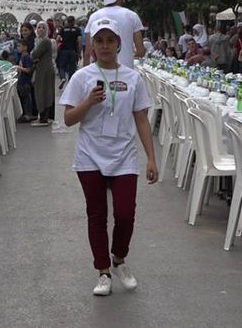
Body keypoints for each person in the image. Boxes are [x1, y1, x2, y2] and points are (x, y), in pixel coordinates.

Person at [59, 17, 158, 297]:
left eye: (110, 41)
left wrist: (151, 157)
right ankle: (103, 271)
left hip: (124, 155)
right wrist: (88, 102)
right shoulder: (82, 77)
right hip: (90, 155)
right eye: (99, 41)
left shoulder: (132, 77)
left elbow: (141, 118)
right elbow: (67, 119)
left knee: (126, 213)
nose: (104, 46)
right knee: (97, 215)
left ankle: (119, 258)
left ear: (119, 44)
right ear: (92, 45)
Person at [84, 0, 146, 69]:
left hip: (100, 74)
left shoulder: (94, 17)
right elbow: (140, 50)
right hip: (125, 73)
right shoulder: (131, 16)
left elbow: (88, 52)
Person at [31, 22, 56, 126]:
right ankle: (43, 116)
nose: (40, 29)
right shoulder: (40, 41)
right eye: (39, 27)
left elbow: (34, 54)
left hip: (44, 70)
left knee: (43, 92)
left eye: (43, 28)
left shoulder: (45, 41)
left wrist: (33, 54)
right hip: (42, 69)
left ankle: (44, 118)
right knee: (42, 92)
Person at [58, 15, 82, 89]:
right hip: (73, 51)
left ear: (67, 21)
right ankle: (70, 85)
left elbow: (58, 38)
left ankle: (62, 78)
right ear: (74, 21)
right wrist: (79, 52)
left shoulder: (63, 29)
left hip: (64, 50)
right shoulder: (77, 29)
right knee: (72, 68)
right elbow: (79, 41)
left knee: (61, 66)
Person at [15, 39, 34, 122]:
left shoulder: (27, 57)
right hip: (21, 81)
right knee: (23, 98)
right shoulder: (21, 57)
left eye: (19, 46)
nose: (18, 48)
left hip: (25, 81)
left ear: (25, 47)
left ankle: (28, 115)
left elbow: (29, 70)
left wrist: (19, 68)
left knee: (26, 99)